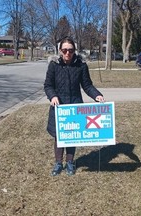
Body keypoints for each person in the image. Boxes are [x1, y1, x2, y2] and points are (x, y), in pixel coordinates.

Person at [44, 37, 104, 176]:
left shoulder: (81, 65)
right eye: (64, 50)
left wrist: (97, 95)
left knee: (72, 136)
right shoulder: (54, 65)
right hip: (59, 107)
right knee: (59, 137)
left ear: (74, 51)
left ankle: (70, 162)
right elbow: (48, 85)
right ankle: (58, 163)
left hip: (75, 106)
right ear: (60, 50)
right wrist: (52, 96)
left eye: (70, 50)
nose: (67, 53)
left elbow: (87, 85)